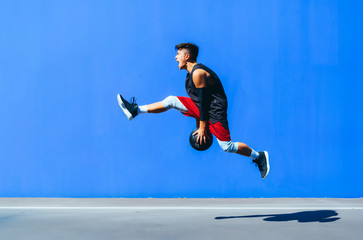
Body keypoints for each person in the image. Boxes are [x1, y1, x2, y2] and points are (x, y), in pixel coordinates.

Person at [117, 43, 270, 179]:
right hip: (205, 111)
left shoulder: (198, 73)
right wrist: (199, 127)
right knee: (171, 100)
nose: (175, 58)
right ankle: (135, 110)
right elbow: (198, 105)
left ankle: (258, 156)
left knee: (226, 146)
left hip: (215, 114)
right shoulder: (189, 76)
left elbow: (203, 104)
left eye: (178, 54)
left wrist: (203, 127)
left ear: (187, 56)